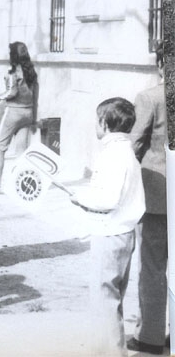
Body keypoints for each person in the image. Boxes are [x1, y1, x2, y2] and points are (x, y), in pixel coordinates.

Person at [69, 97, 145, 356]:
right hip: (121, 233)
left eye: (96, 121)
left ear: (105, 123)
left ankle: (112, 352)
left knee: (105, 301)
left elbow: (108, 199)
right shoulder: (125, 152)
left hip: (111, 233)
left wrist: (81, 197)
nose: (95, 126)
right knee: (110, 299)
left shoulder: (114, 154)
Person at [126, 47, 168, 355]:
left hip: (158, 195)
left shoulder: (151, 97)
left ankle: (151, 337)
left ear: (163, 63)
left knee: (153, 266)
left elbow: (133, 144)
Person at [0, 41, 38, 194]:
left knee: (0, 147)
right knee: (21, 151)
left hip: (13, 112)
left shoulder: (13, 72)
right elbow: (36, 97)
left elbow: (11, 92)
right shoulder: (32, 73)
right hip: (28, 113)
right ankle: (20, 185)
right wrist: (34, 119)